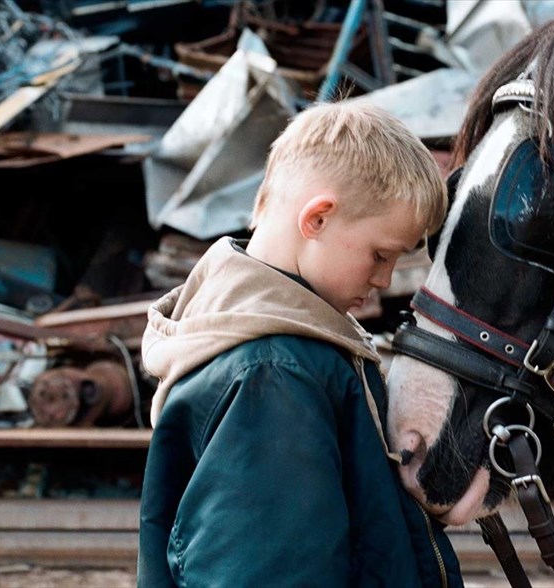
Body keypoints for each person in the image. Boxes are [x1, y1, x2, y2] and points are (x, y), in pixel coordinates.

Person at [137, 99, 462, 587]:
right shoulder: (276, 373)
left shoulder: (285, 347)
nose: (385, 278)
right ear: (317, 219)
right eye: (380, 254)